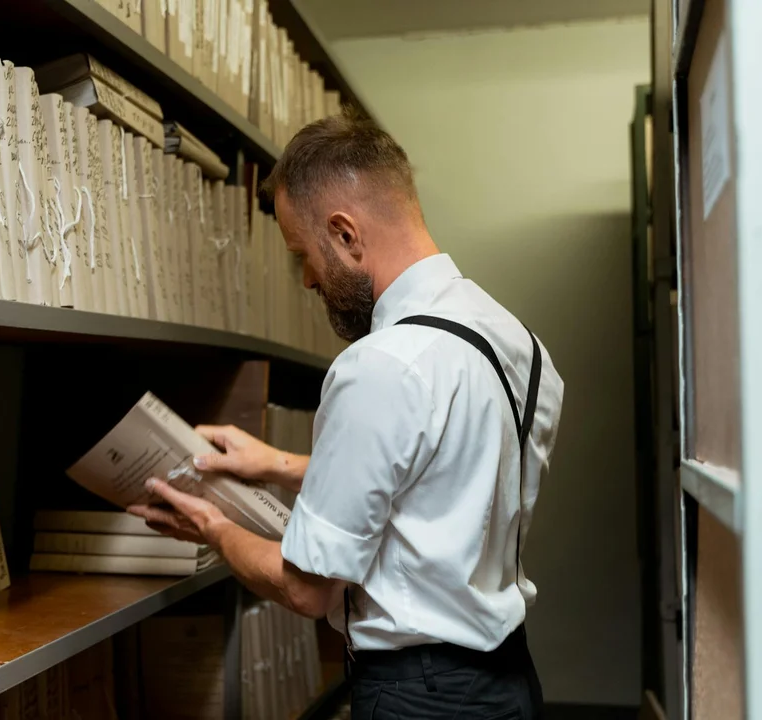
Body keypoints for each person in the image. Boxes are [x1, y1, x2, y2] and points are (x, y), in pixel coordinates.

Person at [128, 109, 565, 720]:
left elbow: (307, 590)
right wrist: (275, 464)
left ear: (345, 233)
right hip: (509, 684)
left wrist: (214, 529)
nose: (306, 279)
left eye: (302, 253)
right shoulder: (517, 342)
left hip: (421, 700)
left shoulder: (379, 365)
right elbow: (435, 476)